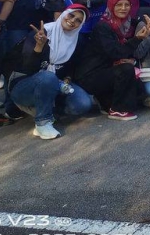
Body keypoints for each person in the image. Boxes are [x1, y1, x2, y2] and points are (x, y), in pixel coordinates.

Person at [9, 7, 95, 139]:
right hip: (23, 85)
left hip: (55, 84)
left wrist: (66, 80)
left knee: (83, 103)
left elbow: (71, 68)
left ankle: (47, 109)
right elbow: (27, 68)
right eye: (71, 15)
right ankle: (42, 123)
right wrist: (39, 46)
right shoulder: (41, 33)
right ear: (64, 14)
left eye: (78, 20)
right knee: (48, 77)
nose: (72, 21)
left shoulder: (77, 41)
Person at [75, 0, 144, 121]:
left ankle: (105, 101)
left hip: (106, 70)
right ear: (111, 5)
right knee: (126, 70)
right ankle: (118, 110)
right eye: (119, 5)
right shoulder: (103, 26)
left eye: (127, 4)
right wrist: (137, 39)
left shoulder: (127, 24)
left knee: (139, 92)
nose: (123, 8)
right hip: (90, 75)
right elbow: (115, 52)